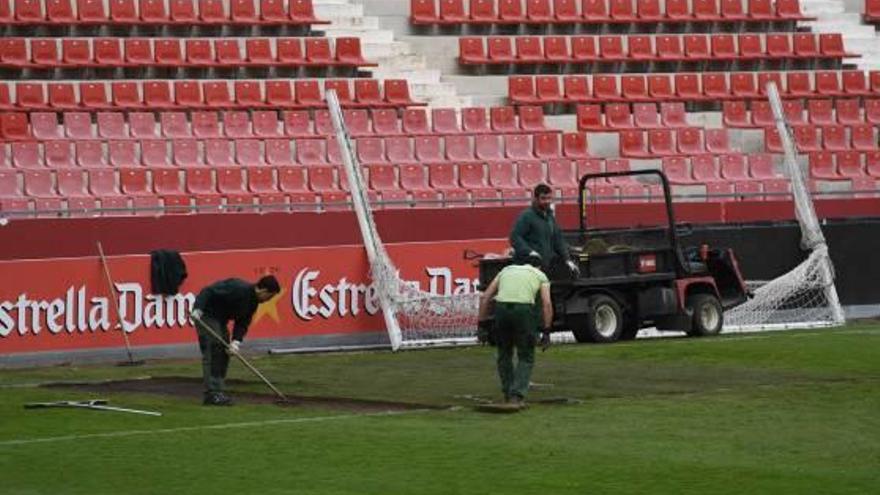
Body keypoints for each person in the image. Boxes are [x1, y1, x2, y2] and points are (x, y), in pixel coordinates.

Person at [190, 275, 281, 406]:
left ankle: (218, 391)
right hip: (206, 316)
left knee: (225, 353)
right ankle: (211, 394)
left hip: (221, 320)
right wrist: (198, 309)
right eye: (269, 296)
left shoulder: (253, 303)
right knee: (214, 350)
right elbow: (208, 291)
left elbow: (242, 323)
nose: (268, 300)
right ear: (263, 290)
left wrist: (236, 342)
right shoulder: (238, 288)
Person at [478, 254, 553, 407]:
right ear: (538, 266)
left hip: (502, 309)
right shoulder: (540, 275)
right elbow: (547, 304)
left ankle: (507, 391)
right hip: (523, 311)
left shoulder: (505, 271)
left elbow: (485, 297)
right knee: (526, 355)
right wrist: (546, 331)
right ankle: (517, 395)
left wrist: (482, 326)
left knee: (504, 353)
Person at [510, 183, 579, 277]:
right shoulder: (527, 216)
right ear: (536, 199)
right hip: (527, 268)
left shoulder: (550, 217)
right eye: (543, 198)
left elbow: (558, 240)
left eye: (549, 198)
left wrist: (567, 259)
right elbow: (515, 237)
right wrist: (529, 252)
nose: (547, 201)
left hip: (545, 267)